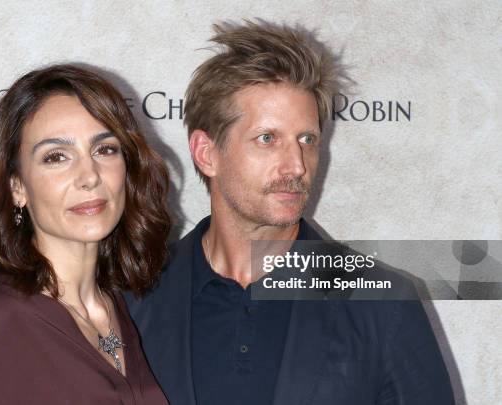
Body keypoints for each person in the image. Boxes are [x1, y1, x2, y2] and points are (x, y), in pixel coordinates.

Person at [125, 20, 456, 405]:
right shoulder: (135, 297)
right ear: (207, 153)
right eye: (268, 139)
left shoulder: (384, 304)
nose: (296, 166)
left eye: (306, 140)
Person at [0, 64, 170, 405]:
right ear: (17, 187)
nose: (89, 176)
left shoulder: (115, 306)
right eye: (56, 157)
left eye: (105, 150)